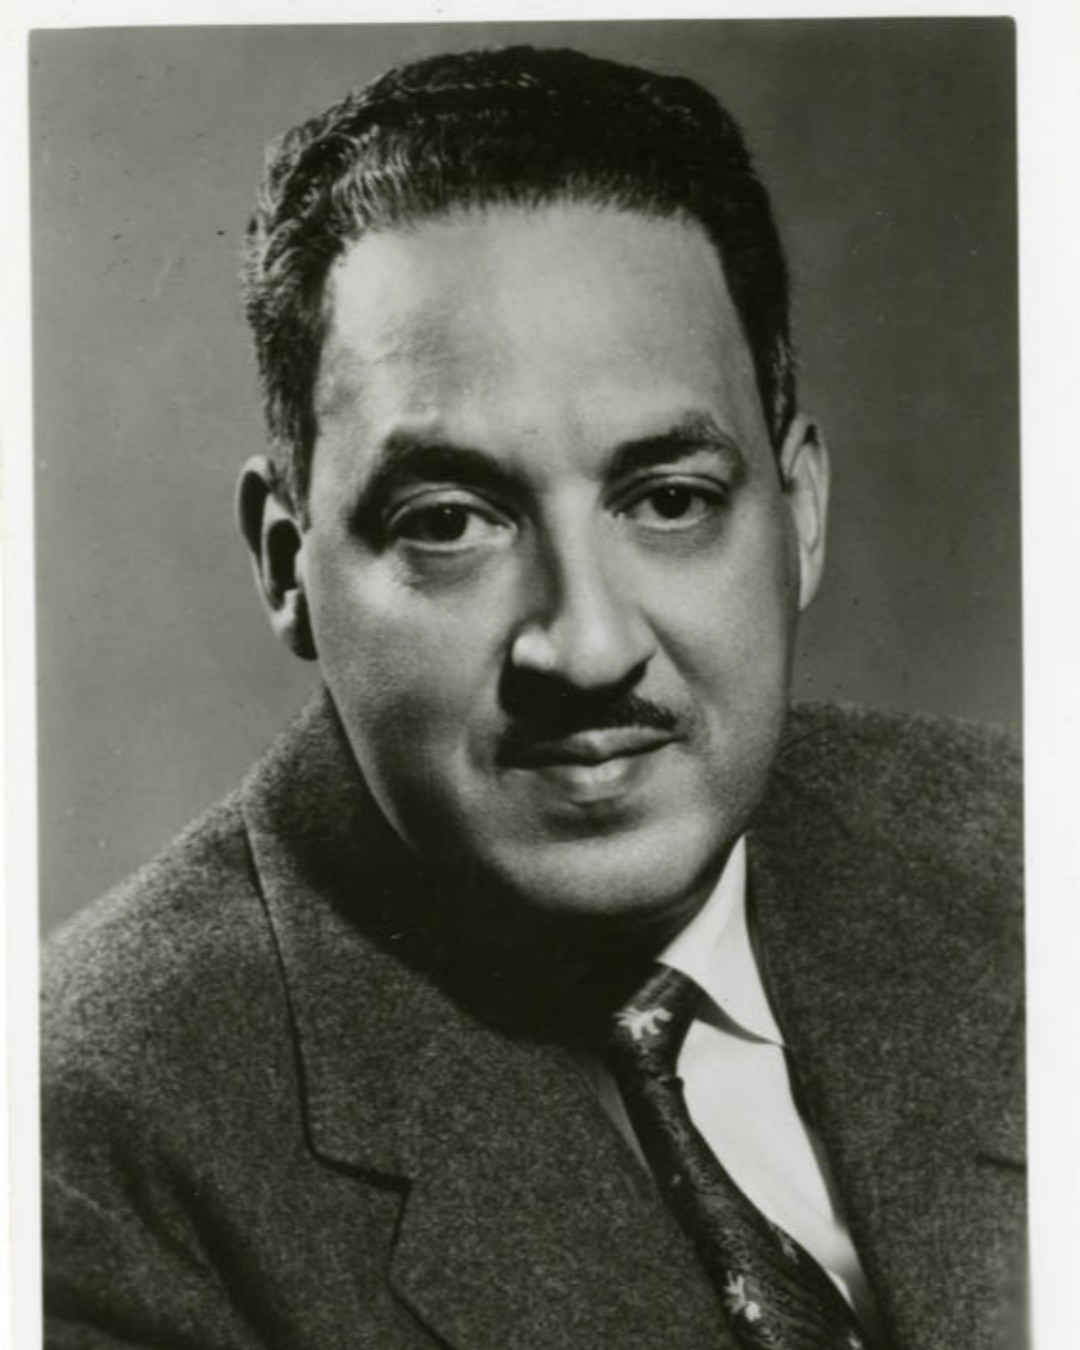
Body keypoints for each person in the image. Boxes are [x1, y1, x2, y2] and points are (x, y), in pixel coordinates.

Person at [40, 45, 1024, 1350]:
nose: (587, 643)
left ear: (799, 510)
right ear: (288, 566)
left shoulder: (1015, 844)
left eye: (667, 499)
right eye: (450, 521)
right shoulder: (93, 1136)